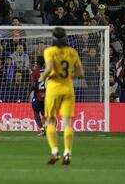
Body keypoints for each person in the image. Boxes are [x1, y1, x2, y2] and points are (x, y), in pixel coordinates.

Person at [39, 27, 83, 165]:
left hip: (53, 89)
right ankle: (68, 152)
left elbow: (50, 68)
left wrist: (42, 77)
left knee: (51, 120)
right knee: (67, 122)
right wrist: (69, 75)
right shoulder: (72, 52)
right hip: (68, 88)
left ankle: (55, 151)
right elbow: (80, 72)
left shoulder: (49, 51)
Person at [29, 56, 46, 136]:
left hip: (38, 96)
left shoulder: (34, 72)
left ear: (36, 63)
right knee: (44, 112)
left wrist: (29, 92)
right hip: (47, 96)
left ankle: (42, 129)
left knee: (36, 111)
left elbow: (33, 85)